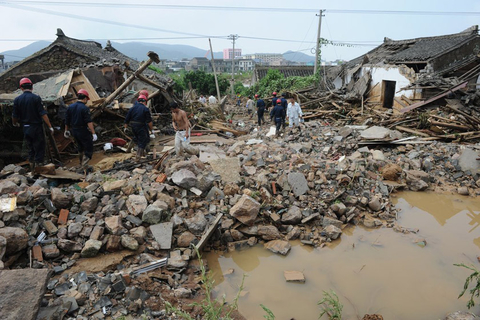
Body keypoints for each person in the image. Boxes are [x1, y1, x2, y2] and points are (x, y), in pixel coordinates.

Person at [12, 77, 54, 171]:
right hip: (36, 127)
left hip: (26, 128)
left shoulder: (17, 100)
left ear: (21, 88)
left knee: (30, 148)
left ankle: (32, 168)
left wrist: (15, 124)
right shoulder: (36, 98)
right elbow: (43, 114)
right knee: (39, 147)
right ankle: (39, 169)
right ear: (32, 86)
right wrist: (50, 126)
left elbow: (14, 116)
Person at [64, 89, 97, 171]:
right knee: (89, 147)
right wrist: (93, 133)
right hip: (83, 130)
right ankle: (84, 166)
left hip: (74, 130)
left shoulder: (70, 107)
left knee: (80, 147)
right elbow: (89, 122)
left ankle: (80, 163)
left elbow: (67, 120)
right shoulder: (84, 108)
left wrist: (66, 130)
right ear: (85, 98)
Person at [124, 95, 154, 161]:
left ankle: (129, 150)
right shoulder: (145, 109)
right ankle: (138, 157)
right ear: (145, 101)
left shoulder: (132, 108)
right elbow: (149, 121)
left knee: (137, 137)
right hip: (141, 126)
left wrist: (125, 127)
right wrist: (152, 130)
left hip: (133, 126)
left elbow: (127, 119)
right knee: (142, 141)